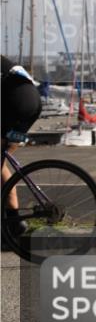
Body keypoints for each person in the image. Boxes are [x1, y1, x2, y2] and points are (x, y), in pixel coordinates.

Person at [2, 56, 43, 238]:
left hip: (15, 102)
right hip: (33, 104)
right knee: (1, 163)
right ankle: (14, 222)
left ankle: (11, 224)